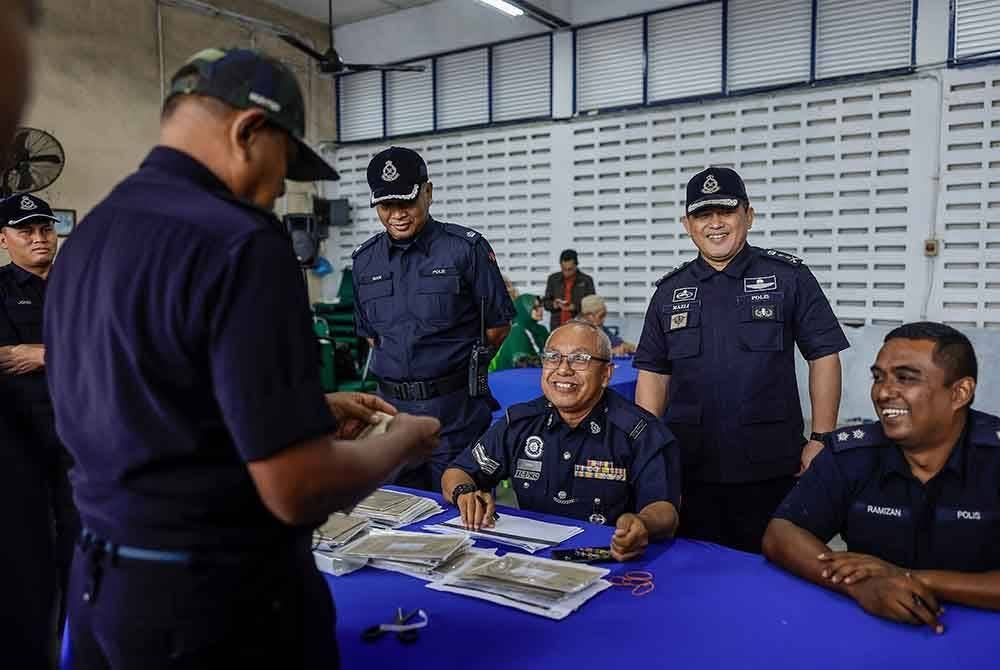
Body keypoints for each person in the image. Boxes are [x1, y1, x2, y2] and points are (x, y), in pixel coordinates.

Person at [44, 48, 440, 669]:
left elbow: (148, 397)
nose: (282, 187)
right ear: (249, 131)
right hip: (215, 603)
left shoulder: (91, 234)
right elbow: (296, 489)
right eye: (286, 163)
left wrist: (303, 407)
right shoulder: (240, 243)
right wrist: (401, 442)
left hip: (102, 588)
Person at [634, 167, 848, 554]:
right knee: (690, 573)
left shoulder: (788, 278)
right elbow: (654, 374)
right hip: (689, 468)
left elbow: (824, 355)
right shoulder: (668, 292)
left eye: (726, 212)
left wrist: (821, 438)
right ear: (687, 224)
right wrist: (647, 453)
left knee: (772, 576)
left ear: (748, 215)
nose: (715, 224)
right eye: (702, 214)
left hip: (770, 467)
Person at [763, 322, 1000, 633]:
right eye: (879, 377)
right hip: (870, 629)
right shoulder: (851, 454)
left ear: (959, 393)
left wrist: (906, 577)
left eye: (905, 378)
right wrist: (859, 586)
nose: (884, 392)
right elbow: (781, 533)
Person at [442, 321, 680, 562]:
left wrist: (642, 523)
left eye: (580, 359)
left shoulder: (640, 432)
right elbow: (457, 472)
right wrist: (465, 493)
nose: (563, 369)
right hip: (531, 562)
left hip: (609, 560)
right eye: (552, 357)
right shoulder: (521, 423)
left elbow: (664, 510)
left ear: (606, 374)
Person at [352, 146, 514, 491]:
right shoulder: (365, 261)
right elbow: (371, 336)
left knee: (462, 517)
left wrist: (455, 369)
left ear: (428, 192)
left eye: (406, 202)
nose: (397, 214)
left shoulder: (465, 249)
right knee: (394, 519)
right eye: (386, 206)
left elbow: (498, 326)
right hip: (391, 416)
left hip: (454, 415)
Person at [0, 192, 81, 655]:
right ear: (4, 238)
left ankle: (72, 645)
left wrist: (41, 355)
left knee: (80, 549)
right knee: (29, 560)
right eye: (26, 230)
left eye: (45, 228)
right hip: (22, 448)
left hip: (82, 441)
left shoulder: (80, 287)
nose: (38, 238)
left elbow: (116, 351)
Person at [488, 293, 549, 372]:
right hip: (509, 378)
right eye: (535, 307)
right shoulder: (517, 331)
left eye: (541, 306)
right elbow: (522, 363)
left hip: (533, 375)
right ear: (523, 309)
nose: (540, 310)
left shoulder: (541, 330)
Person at [542, 248, 595, 331]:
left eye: (569, 269)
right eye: (563, 269)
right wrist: (554, 304)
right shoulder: (553, 279)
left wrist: (575, 307)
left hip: (580, 327)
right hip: (557, 328)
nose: (566, 272)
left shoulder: (587, 280)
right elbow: (545, 303)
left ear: (576, 265)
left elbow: (592, 305)